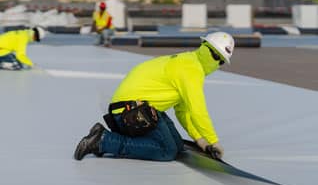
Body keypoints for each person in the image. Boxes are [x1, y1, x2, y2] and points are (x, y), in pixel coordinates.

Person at [74, 32, 235, 161]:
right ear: (204, 46)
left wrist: (200, 140)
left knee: (178, 147)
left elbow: (183, 112)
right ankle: (103, 140)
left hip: (134, 109)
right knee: (168, 151)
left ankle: (112, 136)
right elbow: (198, 112)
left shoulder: (188, 61)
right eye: (214, 54)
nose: (215, 62)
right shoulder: (192, 70)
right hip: (129, 111)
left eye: (220, 61)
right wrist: (214, 141)